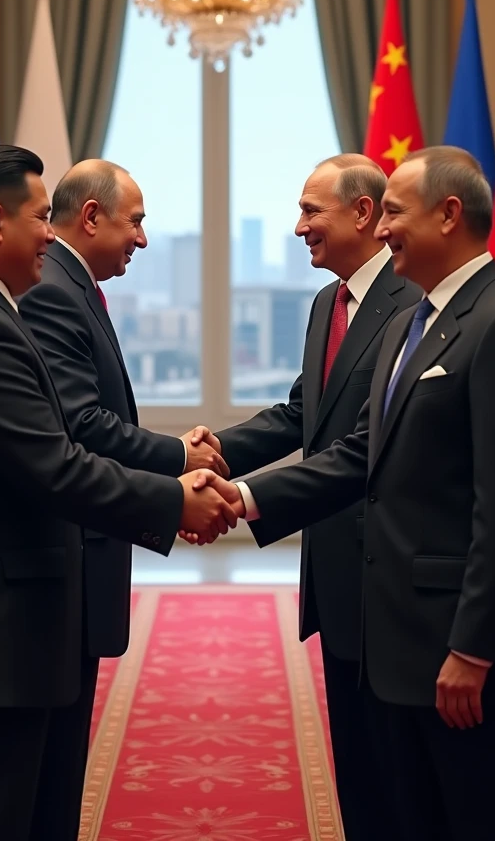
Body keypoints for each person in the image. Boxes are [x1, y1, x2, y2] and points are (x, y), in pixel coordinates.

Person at [202, 147, 495, 841]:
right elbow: (358, 455)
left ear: (449, 215)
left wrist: (475, 648)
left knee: (485, 819)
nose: (385, 229)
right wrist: (243, 498)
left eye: (395, 212)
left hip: (463, 650)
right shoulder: (413, 323)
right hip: (396, 639)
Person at [0, 145, 238, 841]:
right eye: (42, 217)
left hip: (0, 626)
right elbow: (57, 465)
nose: (52, 231)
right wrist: (175, 500)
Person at [188, 154, 419, 840]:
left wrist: (240, 497)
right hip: (341, 579)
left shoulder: (412, 303)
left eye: (311, 211)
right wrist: (210, 452)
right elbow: (302, 414)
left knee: (404, 776)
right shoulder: (330, 301)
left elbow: (364, 445)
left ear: (364, 213)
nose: (299, 228)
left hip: (395, 582)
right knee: (361, 777)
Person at [18, 158, 229, 841]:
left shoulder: (72, 286)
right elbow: (80, 424)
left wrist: (181, 459)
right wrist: (179, 463)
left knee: (55, 766)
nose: (142, 238)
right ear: (91, 217)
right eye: (134, 221)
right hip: (61, 562)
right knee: (40, 772)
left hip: (75, 556)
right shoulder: (54, 290)